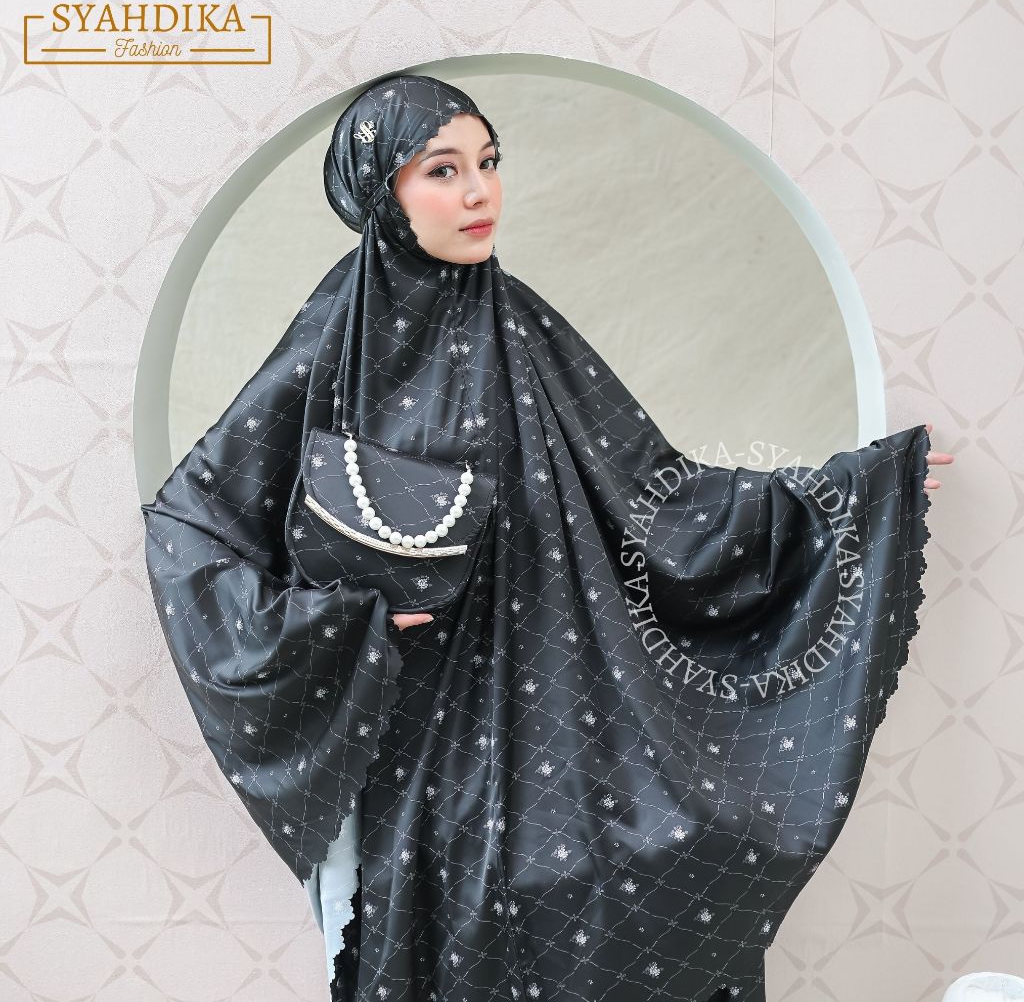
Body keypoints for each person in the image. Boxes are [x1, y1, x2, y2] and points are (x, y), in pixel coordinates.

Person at [139, 73, 953, 1002]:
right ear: (379, 190)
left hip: (563, 721)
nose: (479, 192)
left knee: (646, 873)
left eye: (488, 163)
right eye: (442, 170)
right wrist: (336, 625)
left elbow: (656, 497)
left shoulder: (520, 325)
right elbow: (189, 530)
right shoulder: (334, 342)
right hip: (413, 748)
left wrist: (842, 497)